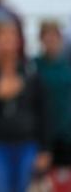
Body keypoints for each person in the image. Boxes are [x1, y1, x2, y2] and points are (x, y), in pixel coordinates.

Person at [0, 20, 51, 192]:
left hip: (27, 145)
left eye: (11, 38)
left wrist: (44, 149)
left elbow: (43, 111)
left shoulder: (30, 71)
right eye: (2, 38)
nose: (7, 44)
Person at [33, 21, 71, 168]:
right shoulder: (34, 66)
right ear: (41, 40)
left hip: (66, 131)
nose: (51, 42)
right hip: (43, 133)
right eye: (47, 38)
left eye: (54, 37)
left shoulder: (67, 66)